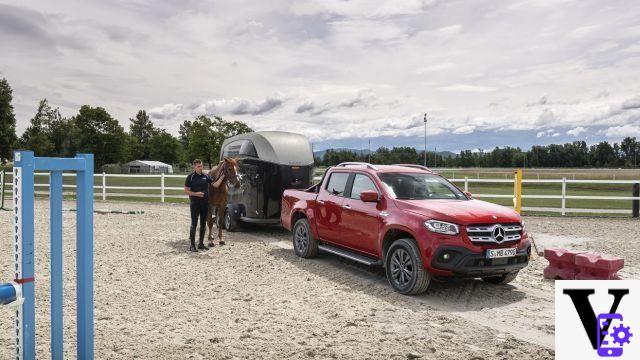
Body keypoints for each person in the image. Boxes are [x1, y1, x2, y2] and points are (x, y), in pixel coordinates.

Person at [184, 159, 225, 252]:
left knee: (203, 224)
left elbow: (215, 185)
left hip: (204, 204)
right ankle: (192, 245)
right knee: (194, 224)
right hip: (195, 203)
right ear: (194, 167)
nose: (200, 168)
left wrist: (222, 177)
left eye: (201, 166)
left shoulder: (205, 176)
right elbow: (186, 191)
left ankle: (201, 244)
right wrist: (196, 194)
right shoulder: (190, 177)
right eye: (198, 166)